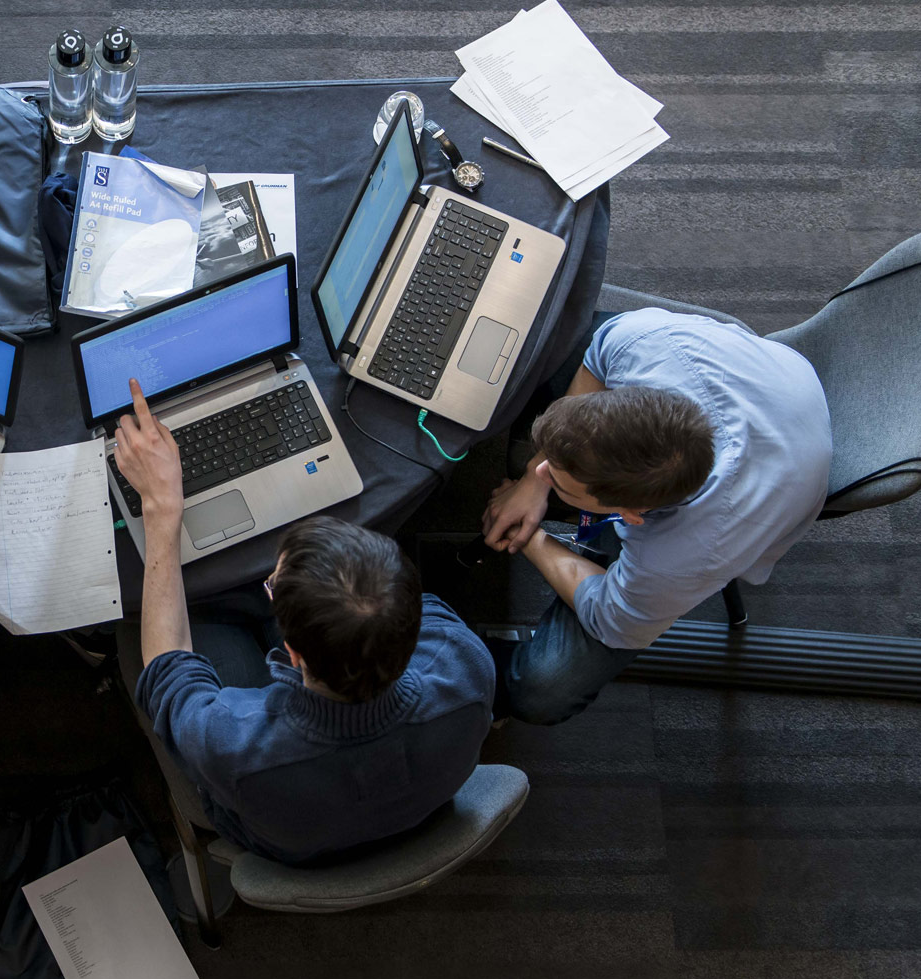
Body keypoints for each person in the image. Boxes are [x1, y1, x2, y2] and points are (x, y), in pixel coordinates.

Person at [111, 379, 495, 866]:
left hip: (274, 825)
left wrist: (162, 509)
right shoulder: (466, 665)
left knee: (156, 614)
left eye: (273, 583)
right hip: (404, 803)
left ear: (291, 655)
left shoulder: (233, 744)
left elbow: (166, 668)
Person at [481, 307, 833, 725]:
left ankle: (475, 672)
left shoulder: (687, 552)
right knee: (550, 329)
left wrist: (533, 538)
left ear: (630, 515)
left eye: (559, 483)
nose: (541, 471)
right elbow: (598, 354)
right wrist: (534, 481)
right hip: (779, 390)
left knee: (543, 689)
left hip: (760, 481)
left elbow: (612, 617)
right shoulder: (643, 343)